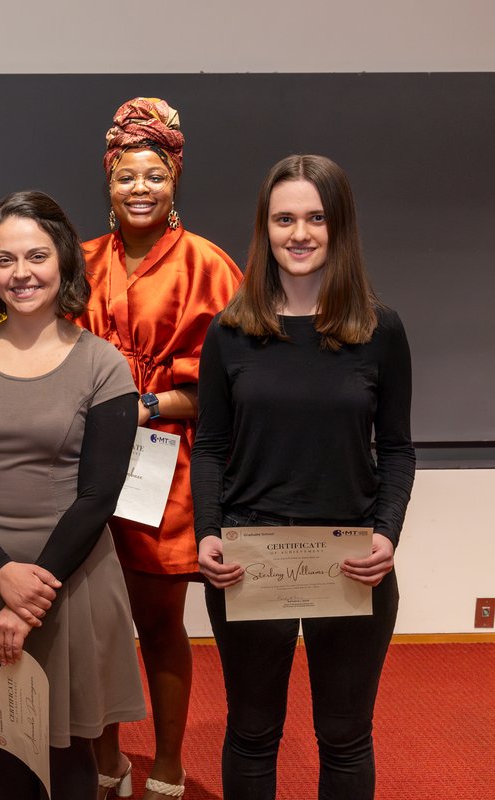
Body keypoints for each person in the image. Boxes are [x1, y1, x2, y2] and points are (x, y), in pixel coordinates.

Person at [191, 154, 415, 799]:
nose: (299, 233)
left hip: (351, 560)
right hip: (249, 559)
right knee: (252, 733)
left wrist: (386, 535)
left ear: (339, 227)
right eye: (284, 218)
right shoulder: (230, 332)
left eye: (316, 218)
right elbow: (209, 447)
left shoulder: (380, 329)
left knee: (345, 738)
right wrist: (210, 534)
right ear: (264, 228)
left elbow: (397, 449)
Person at [0, 190, 146, 800]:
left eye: (37, 256)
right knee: (1, 738)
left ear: (65, 263)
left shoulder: (103, 366)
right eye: (4, 259)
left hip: (68, 577)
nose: (20, 273)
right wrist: (2, 576)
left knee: (67, 747)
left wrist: (28, 596)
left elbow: (99, 496)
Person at [78, 97, 242, 799]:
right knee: (94, 622)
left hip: (166, 466)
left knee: (158, 620)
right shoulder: (82, 260)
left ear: (175, 178)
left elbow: (231, 386)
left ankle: (169, 763)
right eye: (125, 177)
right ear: (107, 182)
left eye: (154, 175)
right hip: (87, 467)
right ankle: (106, 758)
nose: (139, 189)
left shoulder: (209, 266)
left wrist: (142, 404)